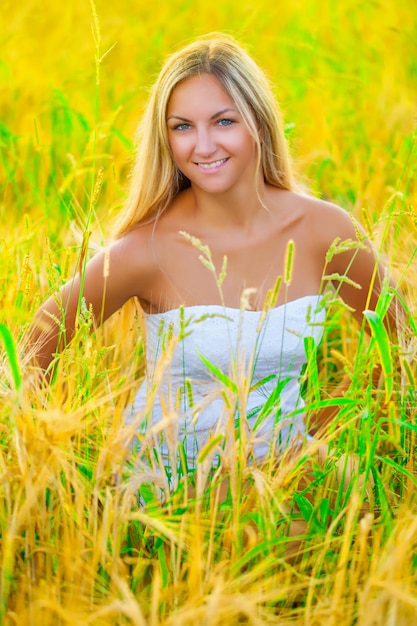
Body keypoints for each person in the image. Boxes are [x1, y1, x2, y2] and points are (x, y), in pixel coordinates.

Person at [28, 34, 402, 487]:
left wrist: (321, 426)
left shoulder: (324, 230)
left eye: (223, 121)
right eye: (181, 126)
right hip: (173, 488)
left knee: (347, 500)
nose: (202, 147)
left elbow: (401, 342)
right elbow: (31, 356)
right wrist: (58, 466)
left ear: (259, 124)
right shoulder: (146, 249)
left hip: (282, 473)